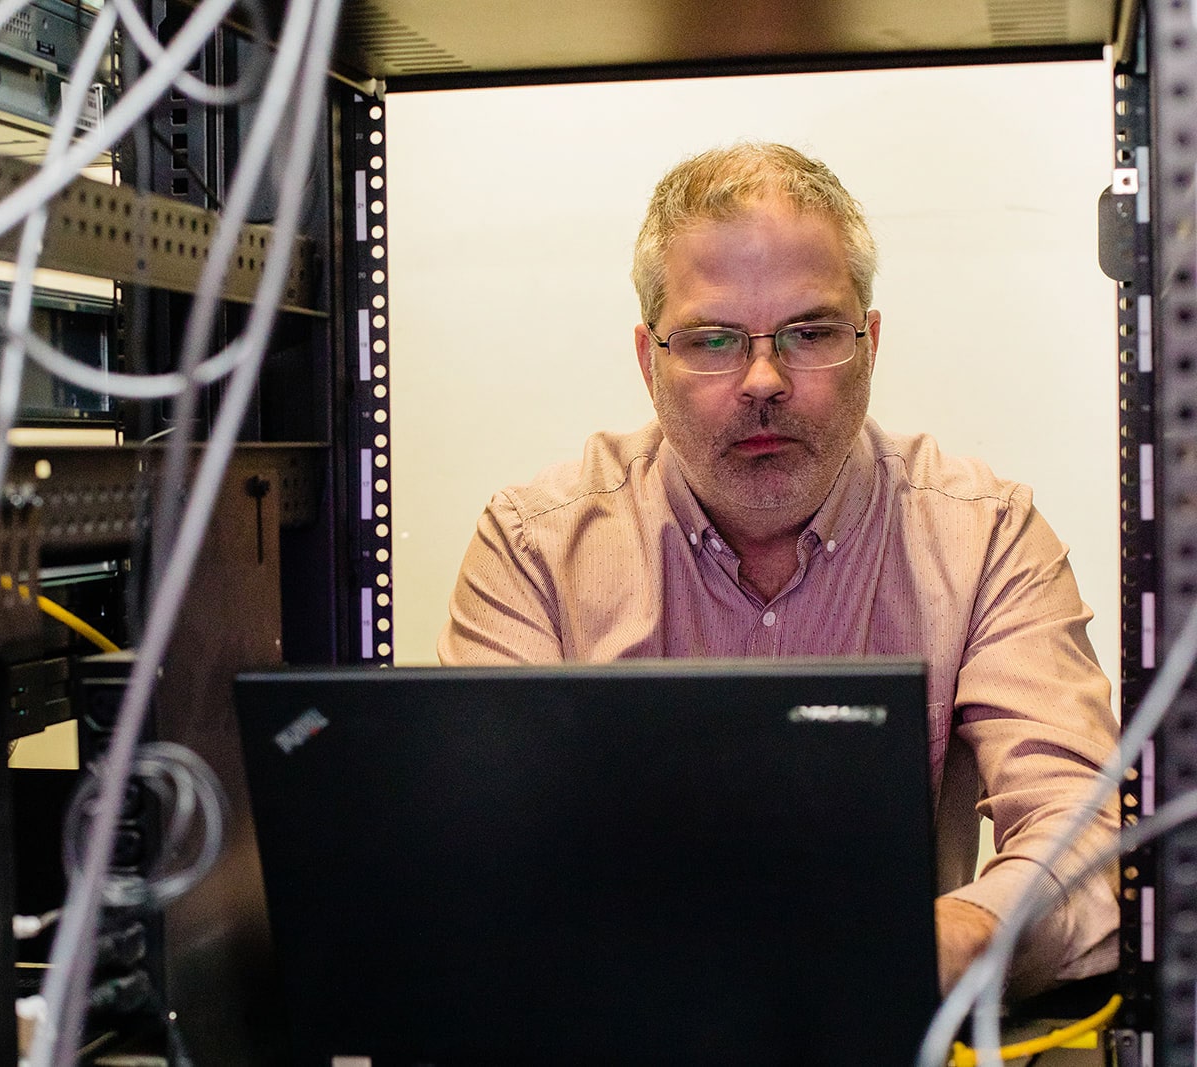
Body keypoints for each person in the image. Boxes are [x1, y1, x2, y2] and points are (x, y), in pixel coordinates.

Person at [437, 142, 1118, 997]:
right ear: (650, 363)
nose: (763, 380)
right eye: (714, 339)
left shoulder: (985, 539)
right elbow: (479, 864)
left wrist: (964, 934)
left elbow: (1088, 836)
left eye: (810, 332)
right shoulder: (534, 549)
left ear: (870, 345)